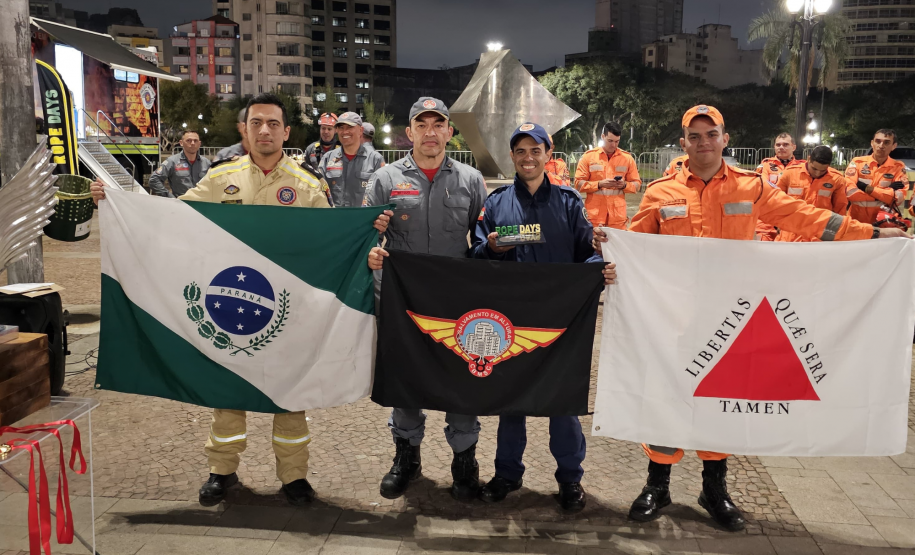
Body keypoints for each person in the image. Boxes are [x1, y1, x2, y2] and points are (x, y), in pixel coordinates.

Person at [594, 105, 906, 532]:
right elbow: (635, 245)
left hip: (730, 320)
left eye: (712, 134)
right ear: (683, 142)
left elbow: (806, 217)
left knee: (721, 398)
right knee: (665, 394)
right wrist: (610, 253)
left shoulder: (751, 188)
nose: (703, 143)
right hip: (672, 317)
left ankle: (714, 489)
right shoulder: (660, 193)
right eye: (695, 136)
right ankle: (658, 485)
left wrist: (872, 234)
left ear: (725, 138)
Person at [90, 93, 391, 507]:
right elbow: (174, 220)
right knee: (226, 388)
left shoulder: (306, 184)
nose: (264, 130)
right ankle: (222, 470)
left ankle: (294, 477)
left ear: (287, 132)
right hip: (229, 306)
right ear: (244, 130)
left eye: (272, 124)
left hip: (289, 311)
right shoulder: (220, 178)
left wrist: (364, 229)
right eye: (256, 123)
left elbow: (332, 242)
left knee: (291, 395)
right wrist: (120, 204)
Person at [469, 122, 616, 512]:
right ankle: (506, 474)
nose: (528, 158)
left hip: (560, 323)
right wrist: (494, 248)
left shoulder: (569, 202)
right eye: (520, 151)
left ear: (548, 155)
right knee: (510, 401)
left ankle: (570, 479)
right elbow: (477, 256)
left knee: (562, 404)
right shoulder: (497, 203)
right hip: (512, 321)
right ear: (513, 157)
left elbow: (588, 253)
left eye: (536, 150)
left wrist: (599, 270)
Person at [364, 96, 488, 502]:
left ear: (449, 133)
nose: (431, 132)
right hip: (403, 302)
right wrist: (372, 246)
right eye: (423, 124)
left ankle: (464, 461)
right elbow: (365, 237)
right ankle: (406, 457)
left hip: (457, 302)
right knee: (405, 379)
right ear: (410, 132)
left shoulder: (471, 180)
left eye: (439, 124)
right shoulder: (384, 179)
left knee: (464, 378)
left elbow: (483, 241)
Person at [573, 122, 642, 229]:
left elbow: (637, 184)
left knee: (616, 246)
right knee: (592, 245)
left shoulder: (627, 158)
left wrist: (624, 185)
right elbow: (578, 184)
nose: (613, 145)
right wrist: (599, 184)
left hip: (617, 218)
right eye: (610, 141)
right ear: (602, 136)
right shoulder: (588, 157)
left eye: (617, 141)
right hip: (594, 217)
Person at [775, 146, 849, 242]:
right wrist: (777, 223)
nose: (818, 173)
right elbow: (776, 201)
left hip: (819, 234)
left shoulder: (837, 179)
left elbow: (840, 209)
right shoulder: (789, 173)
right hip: (790, 232)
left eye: (822, 170)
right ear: (809, 159)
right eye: (814, 168)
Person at [317, 112, 385, 207]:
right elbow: (319, 192)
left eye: (350, 127)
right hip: (334, 219)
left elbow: (382, 195)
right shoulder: (327, 159)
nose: (345, 132)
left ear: (361, 130)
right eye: (341, 127)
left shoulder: (375, 159)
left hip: (364, 219)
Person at [845, 129, 910, 225]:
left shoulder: (898, 167)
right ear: (872, 143)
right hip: (855, 221)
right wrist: (885, 193)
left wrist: (866, 188)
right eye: (878, 141)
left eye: (886, 142)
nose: (881, 145)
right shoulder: (857, 162)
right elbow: (849, 192)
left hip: (883, 222)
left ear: (894, 146)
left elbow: (898, 198)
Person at [755, 133, 803, 240]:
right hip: (769, 215)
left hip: (792, 214)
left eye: (785, 145)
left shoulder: (802, 167)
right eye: (778, 145)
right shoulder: (766, 165)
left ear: (793, 147)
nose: (781, 147)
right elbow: (762, 187)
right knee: (761, 244)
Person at [148, 130, 210, 197]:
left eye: (195, 141)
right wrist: (170, 197)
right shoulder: (172, 162)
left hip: (202, 204)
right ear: (181, 143)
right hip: (181, 204)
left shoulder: (206, 163)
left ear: (199, 144)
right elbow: (154, 180)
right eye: (188, 140)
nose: (192, 143)